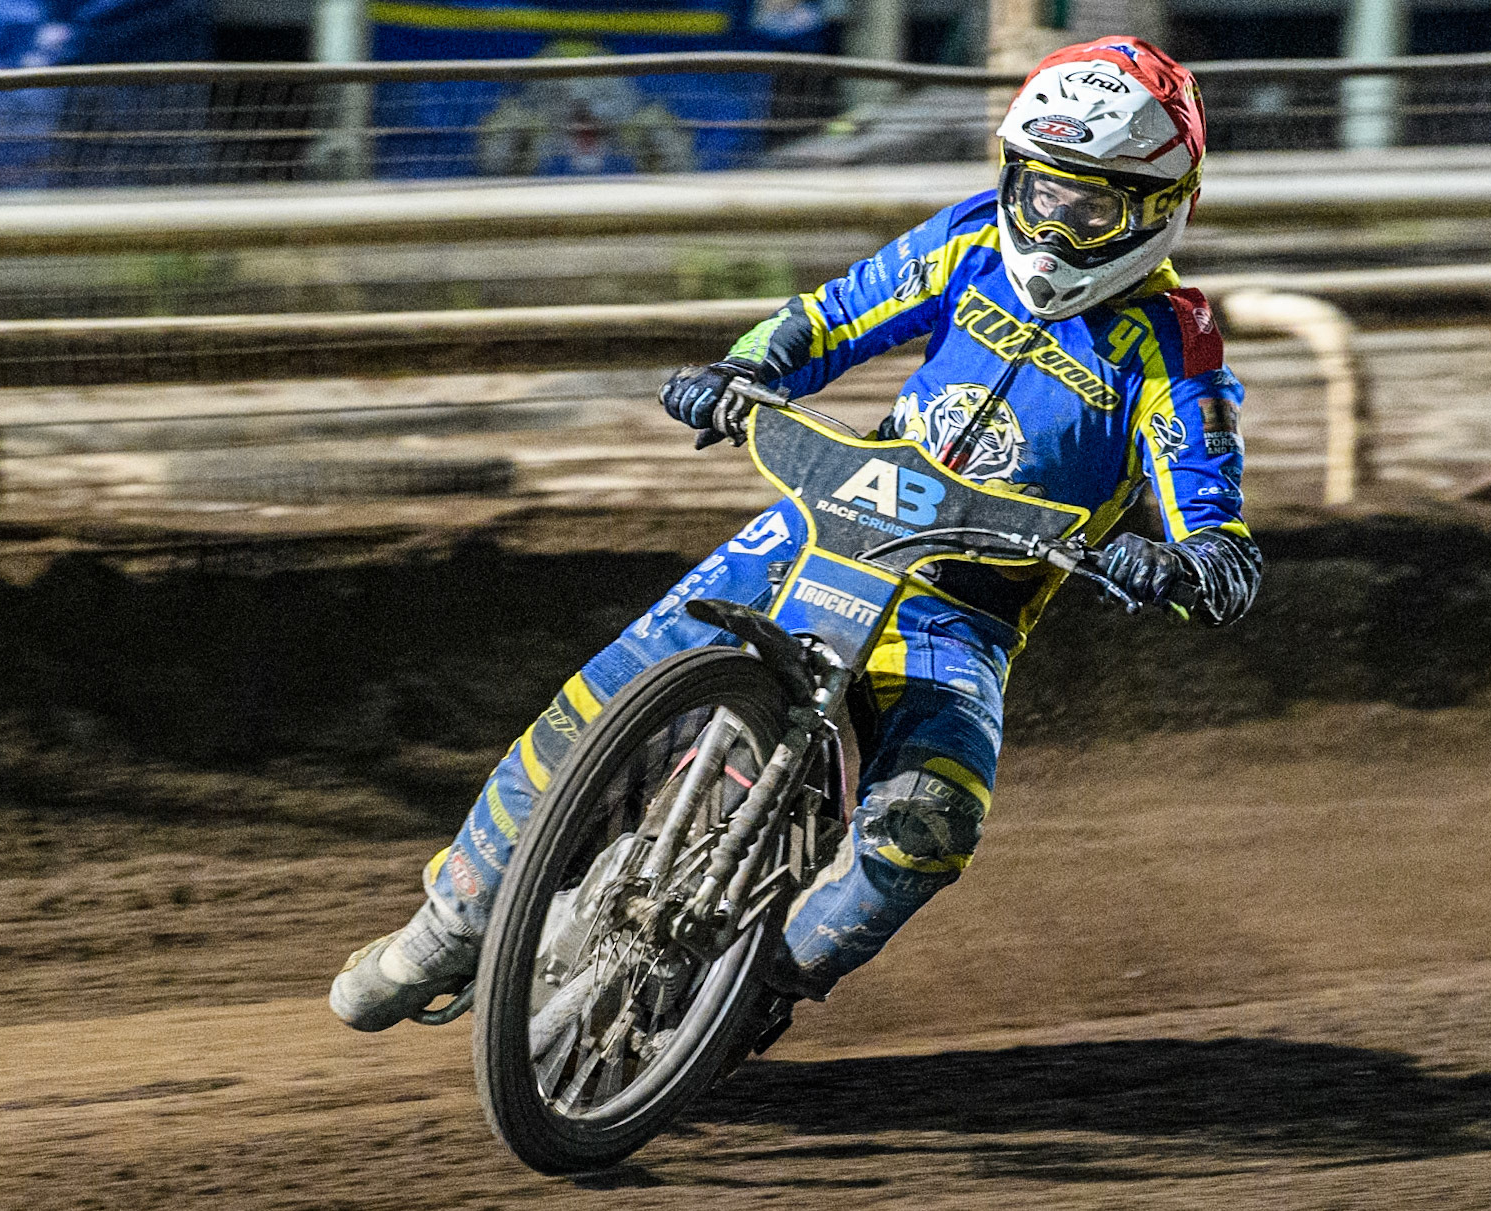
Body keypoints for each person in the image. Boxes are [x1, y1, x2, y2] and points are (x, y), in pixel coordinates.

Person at [330, 36, 1263, 1031]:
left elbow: (1216, 518)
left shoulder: (1176, 350)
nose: (1052, 222)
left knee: (929, 826)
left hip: (956, 615)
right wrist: (741, 374)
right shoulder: (967, 242)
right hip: (822, 527)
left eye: (1091, 205)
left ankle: (756, 989)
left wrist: (1193, 561)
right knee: (597, 696)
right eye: (1038, 189)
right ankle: (449, 921)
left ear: (1160, 208)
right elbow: (830, 317)